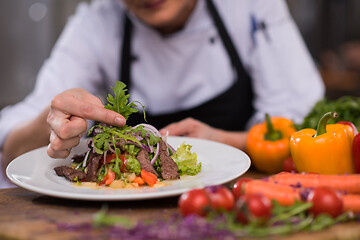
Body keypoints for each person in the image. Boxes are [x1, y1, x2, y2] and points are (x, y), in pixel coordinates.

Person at [0, 0, 324, 188]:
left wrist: (230, 142)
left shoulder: (250, 7)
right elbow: (11, 144)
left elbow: (302, 126)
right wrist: (53, 124)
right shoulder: (97, 20)